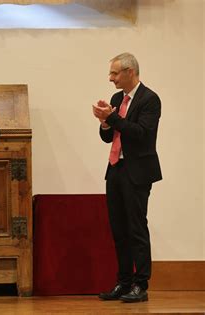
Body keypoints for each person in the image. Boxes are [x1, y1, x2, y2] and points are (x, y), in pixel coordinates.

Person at [92, 53, 162, 303]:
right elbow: (109, 138)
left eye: (115, 73)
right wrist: (104, 123)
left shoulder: (149, 99)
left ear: (130, 72)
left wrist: (112, 118)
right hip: (116, 169)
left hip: (138, 171)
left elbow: (141, 134)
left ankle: (140, 285)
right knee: (118, 229)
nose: (110, 78)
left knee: (136, 228)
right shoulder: (116, 99)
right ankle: (123, 282)